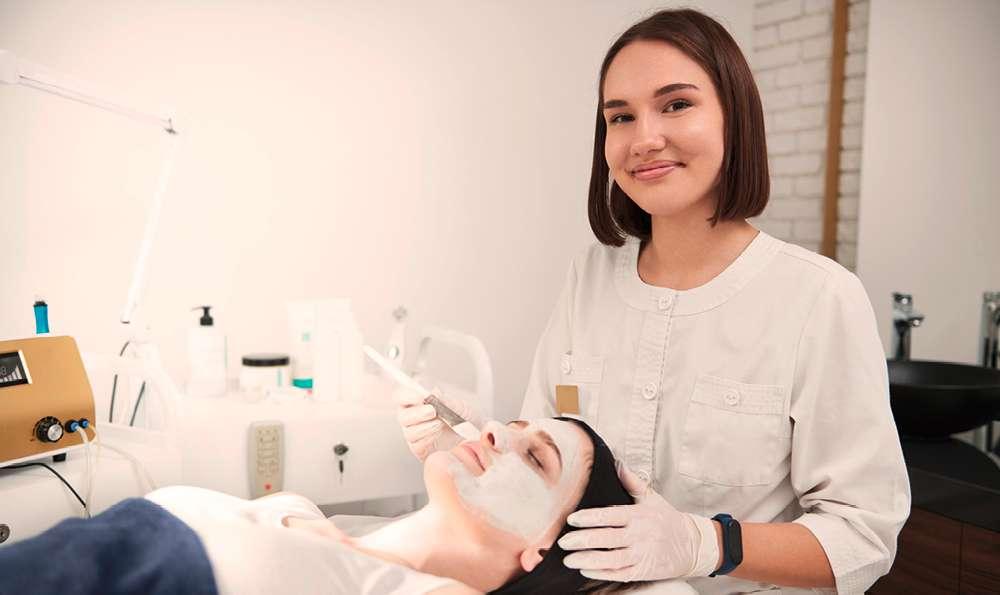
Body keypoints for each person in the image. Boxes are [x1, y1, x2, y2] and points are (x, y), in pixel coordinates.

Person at [396, 8, 911, 594]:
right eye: (621, 116)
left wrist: (705, 544)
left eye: (676, 104)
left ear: (734, 119)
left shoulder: (818, 298)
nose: (644, 139)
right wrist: (467, 441)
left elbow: (864, 538)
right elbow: (547, 470)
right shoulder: (588, 280)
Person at [1, 417, 684, 595]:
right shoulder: (306, 510)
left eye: (536, 458)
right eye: (509, 421)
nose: (495, 432)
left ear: (541, 545)